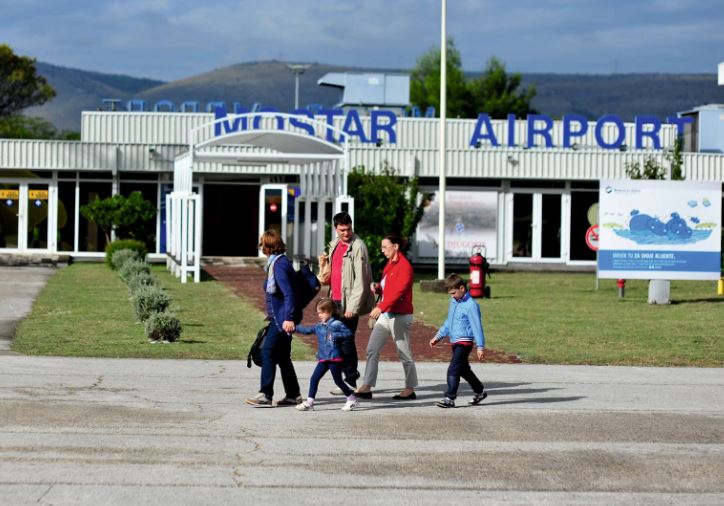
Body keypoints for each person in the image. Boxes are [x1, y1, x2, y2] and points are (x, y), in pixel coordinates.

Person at [318, 212, 375, 394]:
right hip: (335, 299)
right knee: (336, 340)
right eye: (342, 230)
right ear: (336, 229)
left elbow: (362, 280)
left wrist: (353, 307)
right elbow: (333, 273)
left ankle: (350, 380)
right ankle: (349, 374)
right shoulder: (335, 244)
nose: (346, 233)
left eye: (348, 229)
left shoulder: (358, 247)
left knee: (346, 341)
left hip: (349, 302)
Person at [355, 234, 418, 400]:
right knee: (372, 349)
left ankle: (410, 389)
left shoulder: (404, 266)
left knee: (404, 352)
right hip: (386, 314)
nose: (382, 250)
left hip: (400, 315)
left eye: (385, 247)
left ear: (395, 246)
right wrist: (378, 289)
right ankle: (367, 386)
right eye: (382, 247)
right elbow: (389, 289)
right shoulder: (389, 264)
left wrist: (381, 306)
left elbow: (399, 291)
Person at [245, 229, 302, 408]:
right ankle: (293, 395)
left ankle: (265, 394)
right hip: (279, 318)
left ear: (268, 245)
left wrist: (289, 318)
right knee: (283, 356)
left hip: (282, 319)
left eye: (262, 244)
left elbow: (289, 294)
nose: (261, 247)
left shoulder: (279, 265)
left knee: (268, 352)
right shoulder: (277, 263)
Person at [429, 273, 488, 408]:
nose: (452, 296)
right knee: (463, 370)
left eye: (454, 293)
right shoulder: (454, 302)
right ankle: (480, 391)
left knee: (453, 369)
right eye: (450, 294)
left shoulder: (471, 305)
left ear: (462, 288)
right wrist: (438, 336)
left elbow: (476, 326)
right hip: (455, 342)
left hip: (465, 342)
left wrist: (480, 346)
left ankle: (450, 398)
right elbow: (449, 322)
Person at [294, 298, 359, 412]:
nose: (320, 315)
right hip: (323, 358)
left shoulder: (336, 324)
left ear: (330, 311)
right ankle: (310, 402)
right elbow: (307, 330)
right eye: (319, 312)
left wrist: (335, 335)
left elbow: (348, 334)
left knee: (338, 381)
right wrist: (294, 328)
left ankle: (352, 399)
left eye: (322, 312)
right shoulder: (319, 326)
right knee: (314, 378)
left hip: (334, 358)